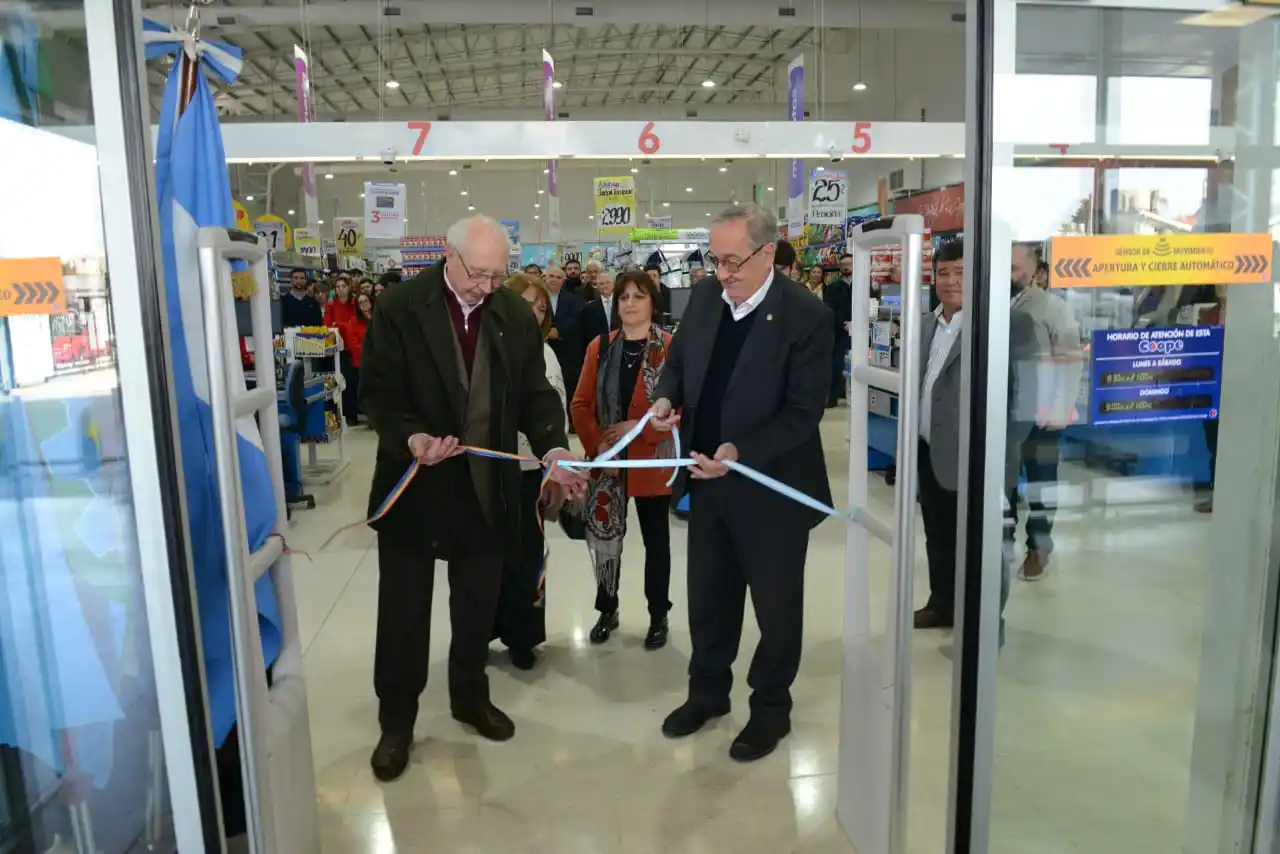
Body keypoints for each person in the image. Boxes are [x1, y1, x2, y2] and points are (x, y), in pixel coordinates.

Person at [360, 215, 586, 782]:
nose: (487, 286)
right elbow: (379, 395)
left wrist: (555, 449)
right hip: (414, 487)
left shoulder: (511, 314)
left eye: (497, 275)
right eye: (478, 274)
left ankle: (469, 696)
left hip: (488, 489)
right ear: (447, 253)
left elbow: (537, 394)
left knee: (476, 605)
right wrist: (412, 438)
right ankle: (398, 719)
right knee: (404, 613)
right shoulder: (400, 307)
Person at [649, 203, 833, 762]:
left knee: (776, 608)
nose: (722, 272)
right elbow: (679, 362)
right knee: (709, 596)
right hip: (706, 481)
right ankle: (707, 694)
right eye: (715, 259)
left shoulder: (805, 316)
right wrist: (665, 396)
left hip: (770, 488)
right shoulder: (706, 298)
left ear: (768, 253)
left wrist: (741, 452)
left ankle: (770, 708)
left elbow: (804, 413)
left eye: (732, 261)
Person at [572, 271, 675, 650]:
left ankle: (658, 615)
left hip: (652, 462)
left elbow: (678, 409)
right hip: (608, 464)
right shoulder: (599, 347)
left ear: (653, 302)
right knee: (605, 537)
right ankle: (607, 607)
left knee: (657, 542)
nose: (630, 303)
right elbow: (581, 404)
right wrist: (601, 446)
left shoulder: (669, 348)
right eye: (624, 297)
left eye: (639, 296)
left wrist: (643, 428)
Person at [914, 239, 1010, 633]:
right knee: (937, 533)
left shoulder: (990, 324)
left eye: (960, 271)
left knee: (975, 541)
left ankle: (983, 623)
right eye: (943, 272)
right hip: (928, 448)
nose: (951, 281)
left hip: (971, 452)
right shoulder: (927, 323)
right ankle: (942, 604)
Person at [493, 273, 567, 670]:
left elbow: (557, 409)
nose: (535, 314)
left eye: (541, 308)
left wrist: (554, 464)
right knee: (489, 555)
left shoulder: (546, 354)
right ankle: (485, 628)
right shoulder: (491, 349)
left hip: (530, 471)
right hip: (489, 469)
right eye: (527, 304)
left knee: (527, 557)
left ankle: (523, 637)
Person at [1006, 242, 1082, 581]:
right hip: (1002, 410)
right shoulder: (988, 301)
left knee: (1041, 480)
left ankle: (1039, 547)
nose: (1008, 274)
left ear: (1035, 271)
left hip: (1041, 410)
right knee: (1001, 479)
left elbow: (1070, 359)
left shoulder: (1053, 307)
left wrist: (1061, 408)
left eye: (1015, 267)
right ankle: (999, 540)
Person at [545, 265, 586, 421]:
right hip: (545, 347)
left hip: (568, 351)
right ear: (545, 278)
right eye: (551, 276)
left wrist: (559, 331)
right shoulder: (539, 297)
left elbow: (575, 320)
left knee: (570, 387)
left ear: (564, 280)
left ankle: (571, 420)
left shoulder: (573, 299)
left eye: (558, 277)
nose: (554, 280)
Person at [325, 276, 360, 425]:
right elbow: (327, 325)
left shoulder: (354, 303)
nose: (340, 289)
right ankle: (338, 414)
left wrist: (339, 325)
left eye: (343, 286)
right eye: (337, 287)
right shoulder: (331, 305)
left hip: (353, 346)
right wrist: (342, 326)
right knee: (338, 380)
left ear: (349, 287)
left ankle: (352, 414)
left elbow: (356, 322)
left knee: (351, 382)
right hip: (337, 347)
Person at [824, 255, 853, 408]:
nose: (846, 267)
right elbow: (829, 309)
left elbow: (871, 306)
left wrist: (858, 323)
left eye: (849, 263)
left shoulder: (864, 286)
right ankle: (832, 396)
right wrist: (844, 323)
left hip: (861, 331)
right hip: (839, 331)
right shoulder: (833, 287)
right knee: (836, 364)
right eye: (843, 264)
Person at [343, 292, 373, 425]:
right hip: (362, 362)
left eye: (366, 301)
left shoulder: (379, 317)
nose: (364, 305)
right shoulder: (354, 321)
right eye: (360, 303)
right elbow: (352, 343)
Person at [581, 269, 616, 344]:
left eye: (608, 283)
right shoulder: (589, 308)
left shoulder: (622, 303)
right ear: (597, 287)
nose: (605, 286)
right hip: (600, 346)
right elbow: (588, 332)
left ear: (613, 284)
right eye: (601, 284)